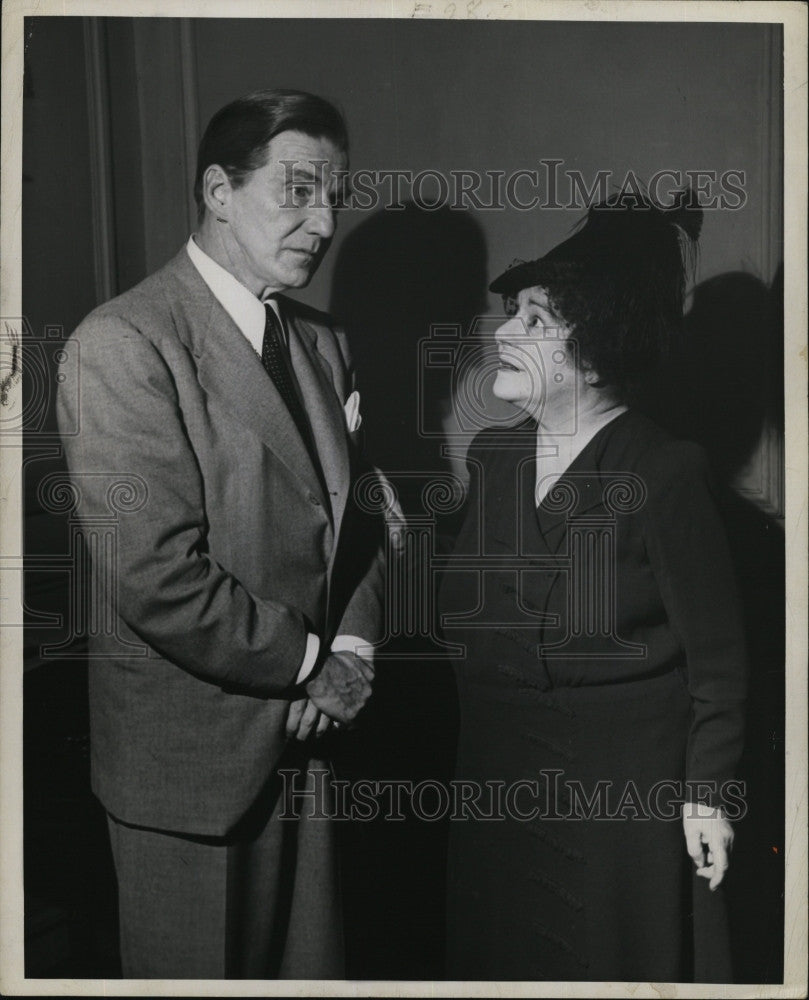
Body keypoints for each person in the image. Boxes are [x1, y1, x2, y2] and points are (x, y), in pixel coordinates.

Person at [55, 89, 385, 979]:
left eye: (335, 197)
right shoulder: (122, 343)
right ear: (217, 189)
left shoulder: (323, 345)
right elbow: (156, 577)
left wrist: (351, 645)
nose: (323, 222)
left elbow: (361, 521)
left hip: (311, 746)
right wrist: (316, 662)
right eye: (299, 191)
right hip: (190, 774)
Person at [440, 189, 747, 982]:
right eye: (513, 311)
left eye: (534, 319)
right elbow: (460, 624)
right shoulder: (494, 459)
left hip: (622, 799)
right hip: (497, 781)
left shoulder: (662, 471)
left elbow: (718, 666)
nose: (501, 331)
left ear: (597, 345)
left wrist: (706, 797)